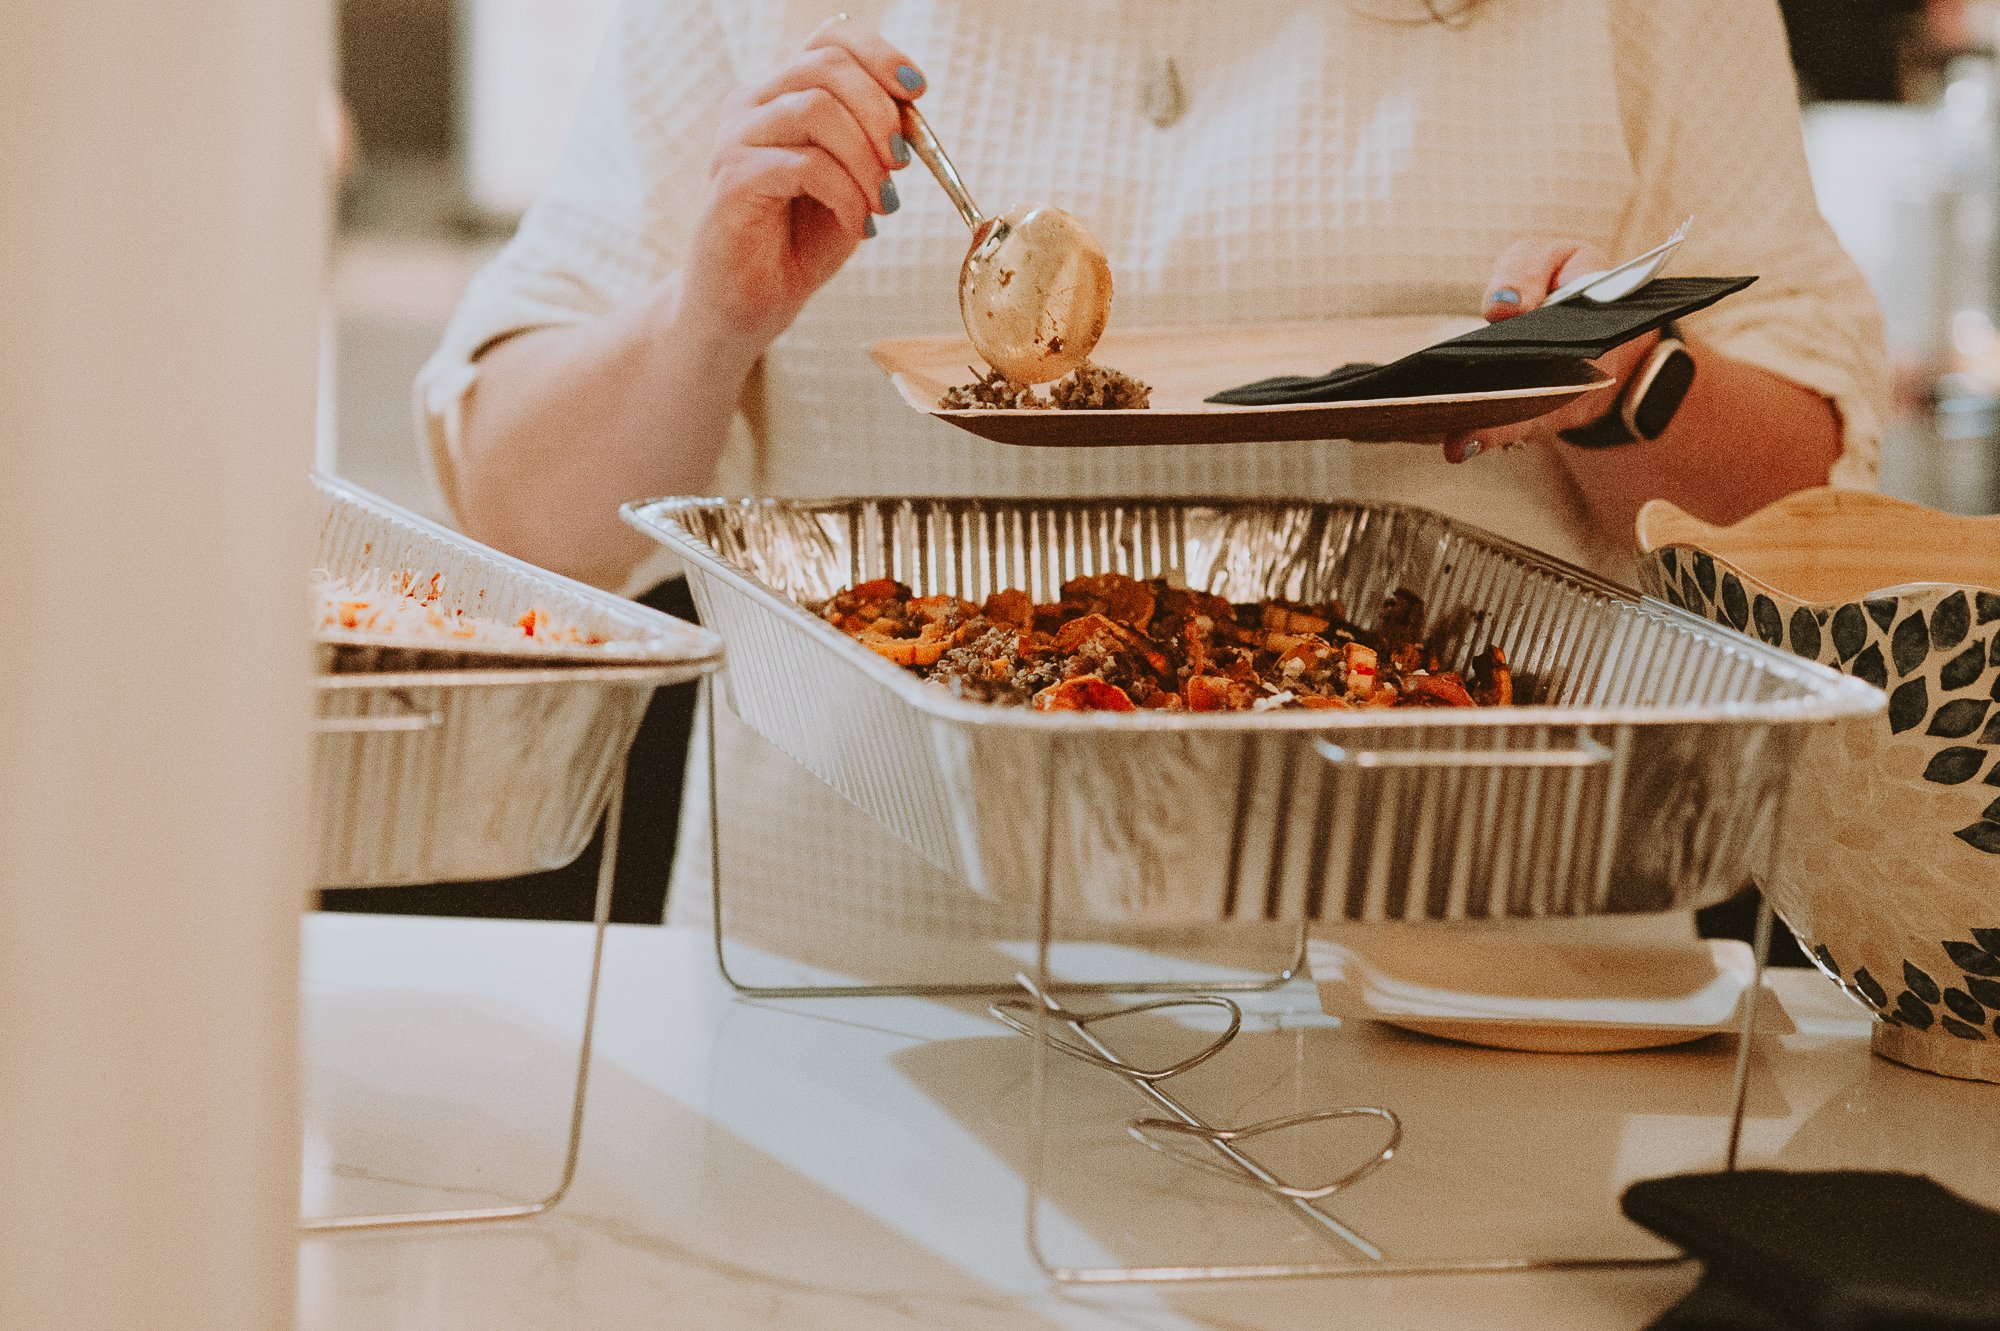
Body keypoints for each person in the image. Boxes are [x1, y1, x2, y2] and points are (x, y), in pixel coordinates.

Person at [416, 0, 1888, 963]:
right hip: (873, 1013)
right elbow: (519, 511)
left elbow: (1805, 511)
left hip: (1481, 1013)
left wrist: (1629, 387)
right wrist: (706, 315)